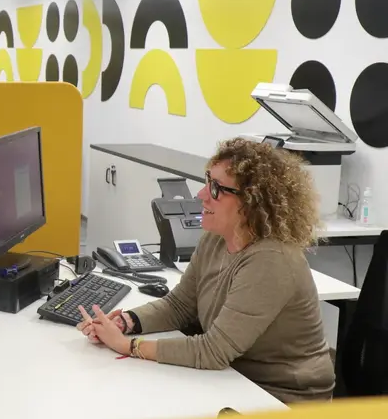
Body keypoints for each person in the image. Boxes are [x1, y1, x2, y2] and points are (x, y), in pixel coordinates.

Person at [78, 137, 335, 404]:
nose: (201, 195)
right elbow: (179, 306)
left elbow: (213, 351)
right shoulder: (216, 237)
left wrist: (127, 346)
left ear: (251, 202)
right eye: (206, 181)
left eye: (216, 188)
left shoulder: (271, 259)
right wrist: (125, 322)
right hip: (234, 377)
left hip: (283, 396)